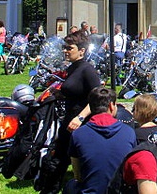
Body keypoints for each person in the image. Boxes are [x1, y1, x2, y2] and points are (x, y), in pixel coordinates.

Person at [41, 31, 102, 194]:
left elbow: (98, 97)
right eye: (64, 47)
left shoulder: (87, 69)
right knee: (57, 159)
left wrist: (80, 117)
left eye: (69, 48)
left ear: (81, 50)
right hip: (69, 121)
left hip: (82, 124)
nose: (65, 51)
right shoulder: (72, 68)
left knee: (76, 162)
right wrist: (59, 94)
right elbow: (75, 91)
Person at [65, 87, 136, 194]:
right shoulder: (129, 132)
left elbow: (78, 176)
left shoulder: (78, 134)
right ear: (112, 106)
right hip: (120, 191)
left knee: (70, 185)